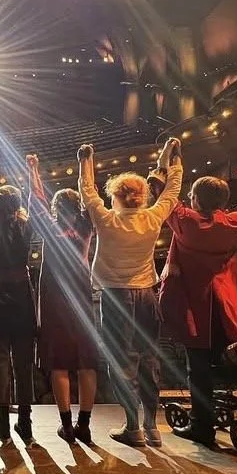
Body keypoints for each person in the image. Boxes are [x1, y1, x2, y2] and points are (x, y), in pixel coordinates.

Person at [157, 161, 237, 449]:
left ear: (195, 199)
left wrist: (170, 162)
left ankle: (202, 426)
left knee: (198, 369)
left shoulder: (185, 221)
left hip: (196, 306)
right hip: (228, 304)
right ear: (224, 201)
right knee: (224, 355)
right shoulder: (234, 221)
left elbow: (161, 193)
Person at [79, 138, 183, 448]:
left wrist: (86, 159)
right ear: (142, 196)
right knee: (149, 359)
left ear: (115, 197)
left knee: (120, 361)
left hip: (114, 297)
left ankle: (133, 426)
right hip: (146, 296)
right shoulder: (152, 217)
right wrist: (174, 160)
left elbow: (87, 191)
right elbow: (173, 190)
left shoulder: (107, 219)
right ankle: (152, 426)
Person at [27, 154, 98, 444]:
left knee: (59, 363)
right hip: (81, 294)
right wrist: (86, 163)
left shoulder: (48, 225)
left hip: (55, 298)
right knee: (86, 362)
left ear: (56, 208)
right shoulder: (86, 223)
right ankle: (85, 424)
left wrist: (32, 168)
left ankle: (66, 425)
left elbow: (35, 197)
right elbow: (89, 191)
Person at [0, 183, 37, 445]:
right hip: (21, 296)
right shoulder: (27, 226)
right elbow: (35, 204)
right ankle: (25, 421)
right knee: (23, 365)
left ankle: (3, 423)